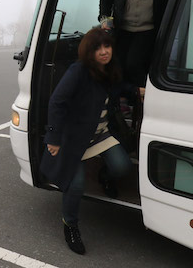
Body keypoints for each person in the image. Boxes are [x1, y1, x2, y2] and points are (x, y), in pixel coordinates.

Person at [40, 28, 142, 255]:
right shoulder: (79, 71)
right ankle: (70, 224)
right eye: (98, 48)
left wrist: (136, 91)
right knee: (75, 185)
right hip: (74, 138)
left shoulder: (110, 69)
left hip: (100, 134)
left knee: (122, 166)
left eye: (107, 46)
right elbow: (56, 102)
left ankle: (103, 175)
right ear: (89, 51)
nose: (104, 52)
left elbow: (119, 87)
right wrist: (54, 138)